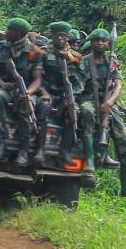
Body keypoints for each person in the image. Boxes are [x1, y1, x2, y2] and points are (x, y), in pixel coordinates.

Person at [78, 28, 126, 199]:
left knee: (123, 138)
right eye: (97, 40)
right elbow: (79, 88)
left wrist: (109, 103)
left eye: (104, 41)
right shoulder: (84, 62)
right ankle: (89, 161)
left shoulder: (112, 61)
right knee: (87, 112)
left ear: (108, 43)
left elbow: (118, 86)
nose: (100, 43)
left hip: (108, 103)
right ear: (91, 43)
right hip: (89, 99)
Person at [0, 18, 46, 166]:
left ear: (19, 34)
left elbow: (38, 79)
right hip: (6, 87)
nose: (6, 32)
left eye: (10, 30)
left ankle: (24, 150)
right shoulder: (2, 47)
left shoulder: (34, 52)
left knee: (26, 106)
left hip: (26, 89)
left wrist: (28, 92)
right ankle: (1, 142)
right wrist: (2, 84)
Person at [37, 22, 83, 165]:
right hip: (45, 93)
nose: (60, 39)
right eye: (57, 35)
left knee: (73, 111)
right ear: (52, 36)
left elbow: (79, 83)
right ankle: (40, 150)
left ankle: (65, 151)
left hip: (65, 95)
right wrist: (44, 92)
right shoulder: (43, 52)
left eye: (63, 36)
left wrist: (69, 97)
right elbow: (36, 77)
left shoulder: (75, 57)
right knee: (43, 108)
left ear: (67, 37)